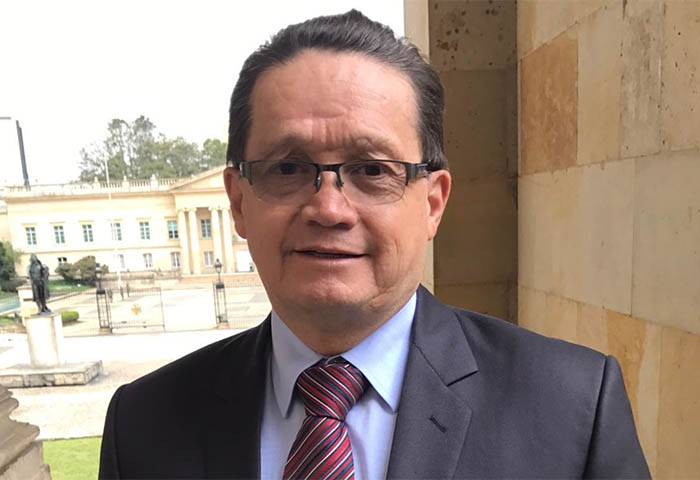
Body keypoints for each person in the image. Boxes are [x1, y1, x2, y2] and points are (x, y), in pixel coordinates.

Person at [99, 10, 650, 479]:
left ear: (432, 203)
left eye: (371, 170)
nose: (328, 209)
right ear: (239, 202)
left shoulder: (572, 408)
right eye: (288, 168)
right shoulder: (143, 425)